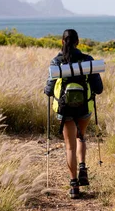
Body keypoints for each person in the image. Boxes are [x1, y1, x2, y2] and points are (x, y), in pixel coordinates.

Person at [44, 29, 103, 199]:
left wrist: (49, 91)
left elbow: (49, 89)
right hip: (84, 106)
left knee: (70, 146)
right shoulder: (87, 60)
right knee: (81, 137)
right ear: (78, 42)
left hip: (65, 108)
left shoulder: (56, 61)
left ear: (62, 42)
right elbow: (98, 88)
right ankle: (83, 166)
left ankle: (74, 185)